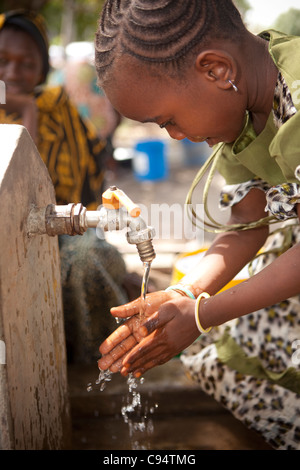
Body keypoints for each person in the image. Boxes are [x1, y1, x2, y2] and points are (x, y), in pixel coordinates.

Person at [95, 0, 300, 449]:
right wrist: (185, 293)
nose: (173, 135)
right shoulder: (246, 110)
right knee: (221, 357)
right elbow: (247, 220)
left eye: (167, 120)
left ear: (215, 70)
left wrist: (202, 315)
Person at [0, 9, 130, 363]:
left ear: (41, 68)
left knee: (87, 260)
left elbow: (38, 189)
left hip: (60, 231)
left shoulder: (56, 107)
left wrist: (29, 112)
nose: (12, 73)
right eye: (2, 61)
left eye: (26, 64)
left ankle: (94, 361)